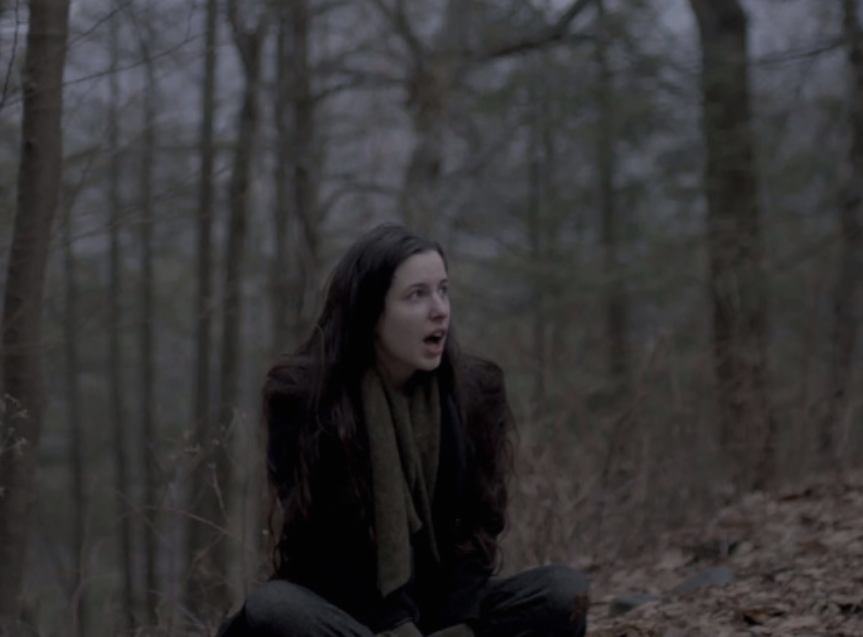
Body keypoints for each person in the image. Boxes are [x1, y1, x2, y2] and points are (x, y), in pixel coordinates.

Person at [220, 224, 589, 637]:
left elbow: (478, 529)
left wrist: (458, 626)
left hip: (442, 612)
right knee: (273, 608)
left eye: (443, 291)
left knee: (562, 594)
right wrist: (395, 626)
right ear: (370, 312)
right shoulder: (305, 398)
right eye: (417, 295)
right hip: (346, 614)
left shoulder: (475, 392)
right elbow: (322, 550)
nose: (440, 310)